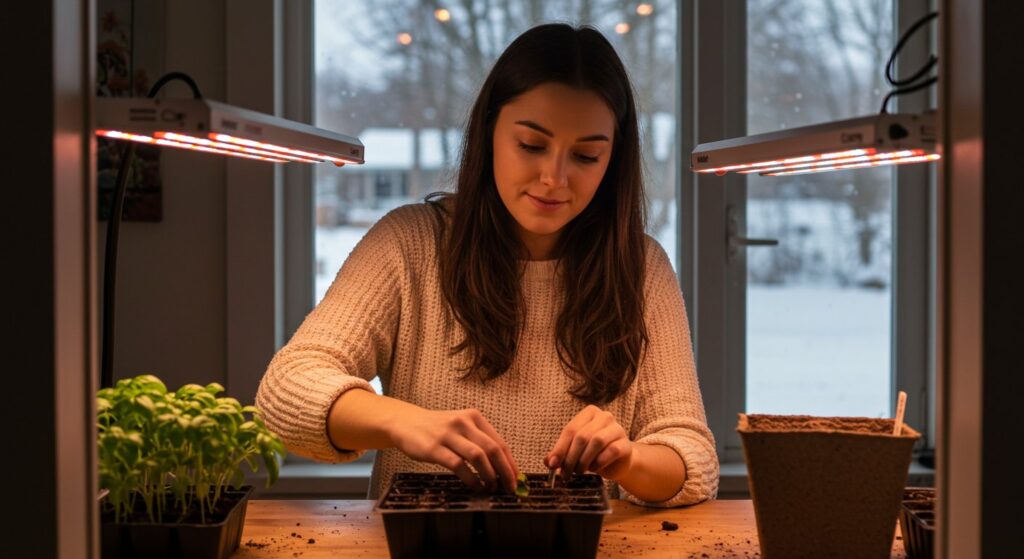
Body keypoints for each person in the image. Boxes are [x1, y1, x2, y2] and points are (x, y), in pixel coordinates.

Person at [256, 22, 718, 507]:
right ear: (489, 132)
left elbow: (691, 457)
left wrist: (628, 460)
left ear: (613, 160)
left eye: (586, 156)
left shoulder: (641, 267)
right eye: (531, 146)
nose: (554, 178)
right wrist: (402, 421)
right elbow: (285, 394)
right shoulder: (410, 243)